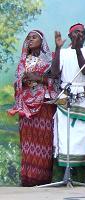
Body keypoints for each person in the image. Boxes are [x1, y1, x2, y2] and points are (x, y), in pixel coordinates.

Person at [8, 30, 56, 186]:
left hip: (43, 106)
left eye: (34, 37)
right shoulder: (23, 60)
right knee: (28, 143)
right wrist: (23, 80)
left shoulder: (49, 59)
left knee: (44, 142)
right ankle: (28, 179)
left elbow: (55, 80)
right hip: (25, 106)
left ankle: (42, 179)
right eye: (28, 38)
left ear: (42, 41)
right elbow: (17, 82)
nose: (30, 40)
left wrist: (39, 78)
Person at [50, 23, 85, 179]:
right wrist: (57, 49)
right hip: (66, 97)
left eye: (83, 33)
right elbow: (55, 73)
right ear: (69, 36)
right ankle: (67, 170)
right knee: (66, 134)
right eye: (76, 33)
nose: (80, 35)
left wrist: (77, 49)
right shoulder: (63, 52)